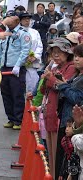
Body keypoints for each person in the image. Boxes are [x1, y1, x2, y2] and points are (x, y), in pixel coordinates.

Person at [40, 38, 76, 178]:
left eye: (59, 52)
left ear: (67, 53)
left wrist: (50, 79)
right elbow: (43, 89)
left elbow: (60, 87)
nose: (55, 55)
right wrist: (47, 79)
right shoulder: (54, 68)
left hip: (58, 116)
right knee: (51, 154)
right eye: (53, 52)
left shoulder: (71, 67)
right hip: (49, 113)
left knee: (58, 154)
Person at [0, 10, 32, 130]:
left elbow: (25, 51)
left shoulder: (23, 34)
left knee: (17, 94)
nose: (7, 21)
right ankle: (10, 118)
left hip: (16, 69)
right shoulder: (4, 33)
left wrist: (18, 65)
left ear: (16, 20)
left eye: (10, 18)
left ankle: (18, 120)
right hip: (4, 68)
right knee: (6, 94)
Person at [55, 44, 83, 178]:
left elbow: (77, 98)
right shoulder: (77, 75)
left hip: (74, 124)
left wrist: (63, 86)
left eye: (80, 56)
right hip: (67, 121)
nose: (76, 59)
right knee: (64, 162)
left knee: (71, 166)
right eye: (76, 56)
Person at [19, 11, 43, 94]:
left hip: (32, 63)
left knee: (32, 87)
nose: (27, 21)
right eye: (24, 19)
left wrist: (35, 56)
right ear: (20, 20)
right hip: (20, 64)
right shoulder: (16, 32)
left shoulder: (35, 32)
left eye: (28, 19)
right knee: (20, 89)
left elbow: (39, 46)